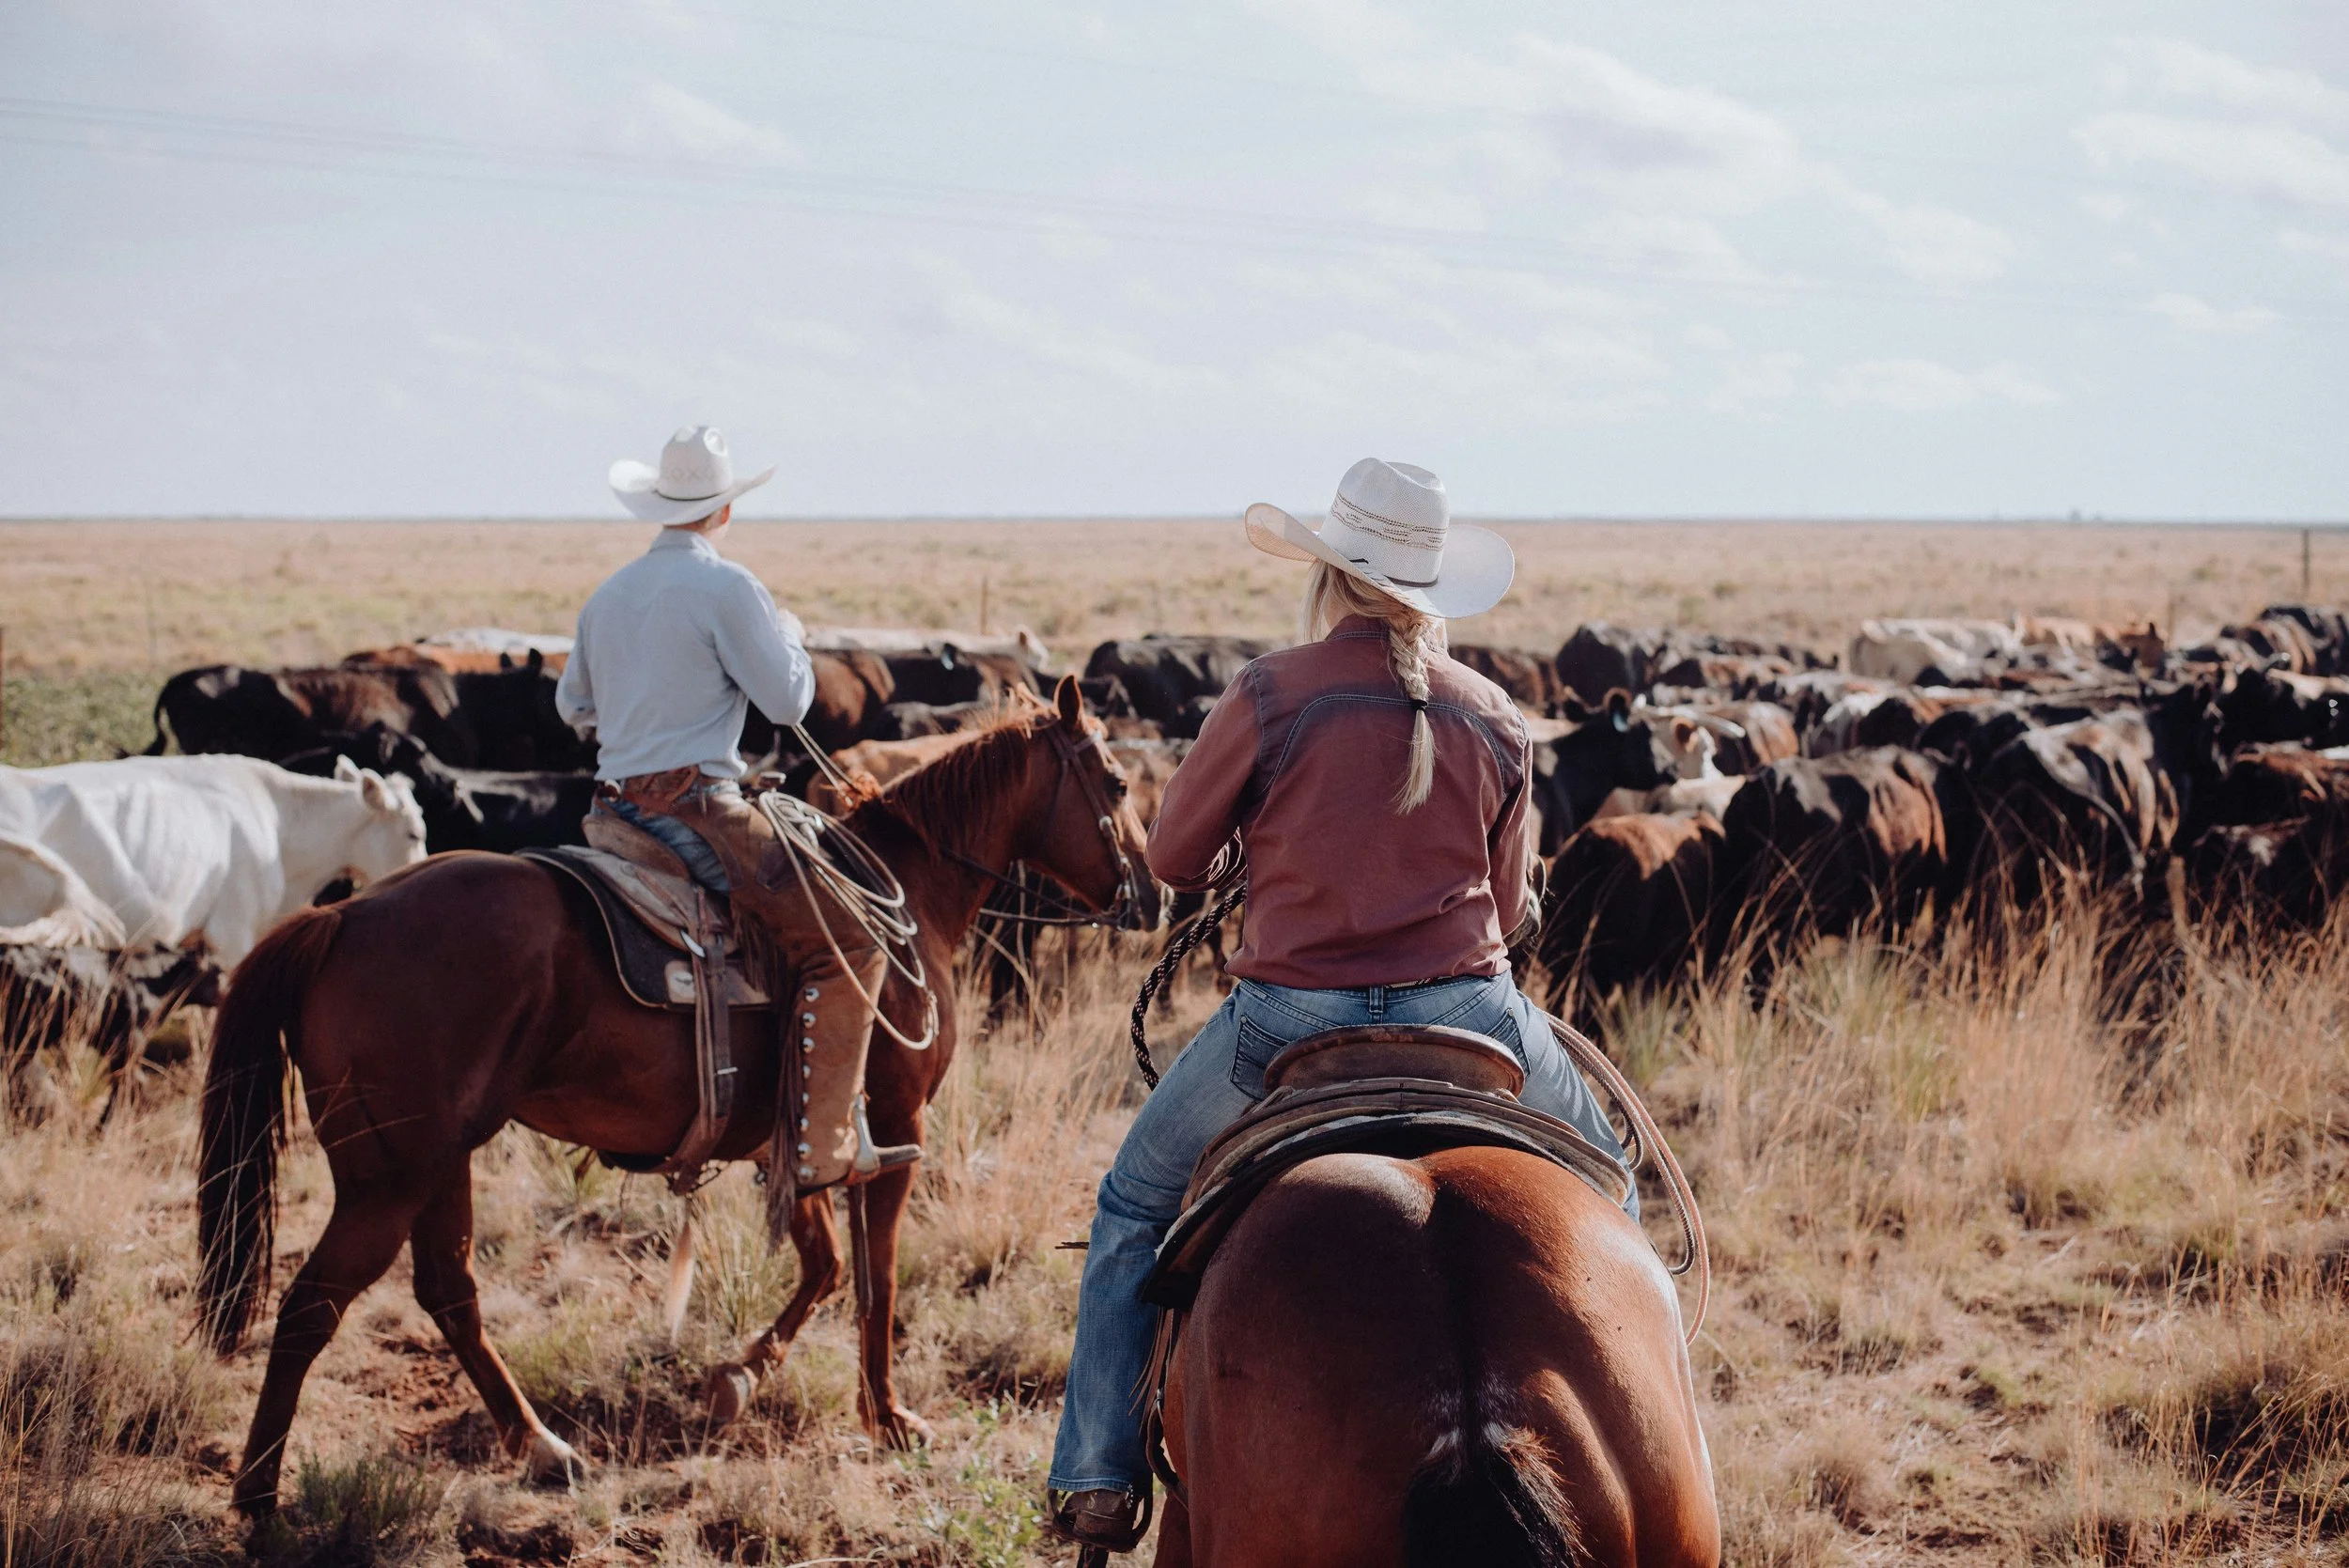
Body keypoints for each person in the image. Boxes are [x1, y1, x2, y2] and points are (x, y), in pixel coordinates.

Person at [1043, 458, 1636, 1553]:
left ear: (1333, 573)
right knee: (1615, 1189)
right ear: (1430, 587)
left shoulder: (1271, 692)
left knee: (1132, 1206)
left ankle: (1097, 1474)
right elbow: (1507, 907)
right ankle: (1647, 1392)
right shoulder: (1496, 712)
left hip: (1287, 1025)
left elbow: (1173, 858)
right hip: (1475, 1013)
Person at [554, 425, 918, 1196]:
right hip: (700, 813)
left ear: (658, 505)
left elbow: (573, 706)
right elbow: (789, 701)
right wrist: (785, 636)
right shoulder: (729, 588)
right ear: (723, 511)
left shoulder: (608, 594)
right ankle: (821, 1145)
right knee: (851, 938)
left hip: (612, 813)